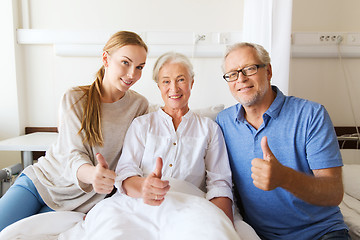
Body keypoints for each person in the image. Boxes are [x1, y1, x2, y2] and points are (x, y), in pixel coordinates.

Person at [58, 52, 240, 240]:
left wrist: (222, 223)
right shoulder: (141, 124)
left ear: (191, 83)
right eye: (166, 81)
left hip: (188, 204)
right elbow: (126, 173)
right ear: (159, 86)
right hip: (137, 204)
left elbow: (220, 183)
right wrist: (144, 186)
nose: (174, 88)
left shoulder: (209, 129)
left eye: (181, 80)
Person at [0, 31, 149, 231]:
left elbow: (134, 157)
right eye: (125, 63)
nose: (133, 74)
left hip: (81, 202)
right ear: (106, 58)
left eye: (139, 67)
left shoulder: (139, 106)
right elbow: (73, 153)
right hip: (41, 182)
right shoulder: (75, 98)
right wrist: (93, 174)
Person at [215, 42, 351, 240]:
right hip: (261, 236)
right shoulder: (223, 123)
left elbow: (334, 193)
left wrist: (284, 178)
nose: (241, 79)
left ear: (268, 71)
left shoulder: (311, 115)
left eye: (250, 69)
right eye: (232, 74)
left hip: (321, 233)